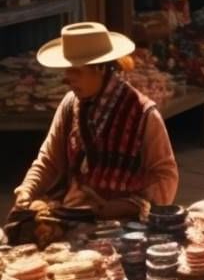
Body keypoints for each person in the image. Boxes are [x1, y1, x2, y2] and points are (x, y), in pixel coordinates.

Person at [12, 22, 178, 221]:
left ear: (100, 68)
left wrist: (129, 205)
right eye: (67, 70)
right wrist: (28, 189)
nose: (67, 78)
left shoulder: (144, 114)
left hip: (125, 224)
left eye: (76, 71)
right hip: (72, 214)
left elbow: (166, 176)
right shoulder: (69, 105)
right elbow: (49, 160)